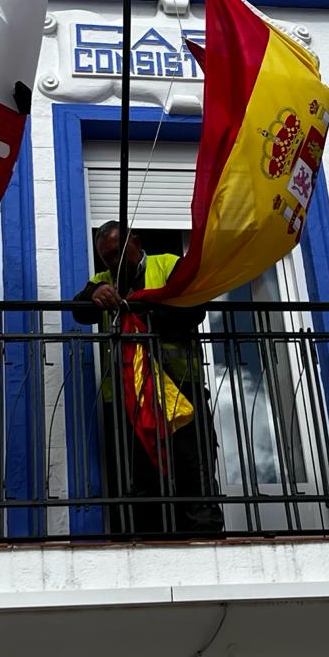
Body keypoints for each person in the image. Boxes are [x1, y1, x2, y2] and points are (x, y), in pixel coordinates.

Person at [73, 221, 224, 538]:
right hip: (130, 396)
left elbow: (194, 308)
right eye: (107, 258)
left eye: (118, 252)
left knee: (192, 464)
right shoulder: (104, 281)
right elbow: (80, 309)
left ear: (136, 242)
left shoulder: (167, 264)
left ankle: (205, 535)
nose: (113, 262)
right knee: (140, 471)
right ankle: (150, 538)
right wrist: (94, 293)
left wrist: (145, 309)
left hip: (180, 388)